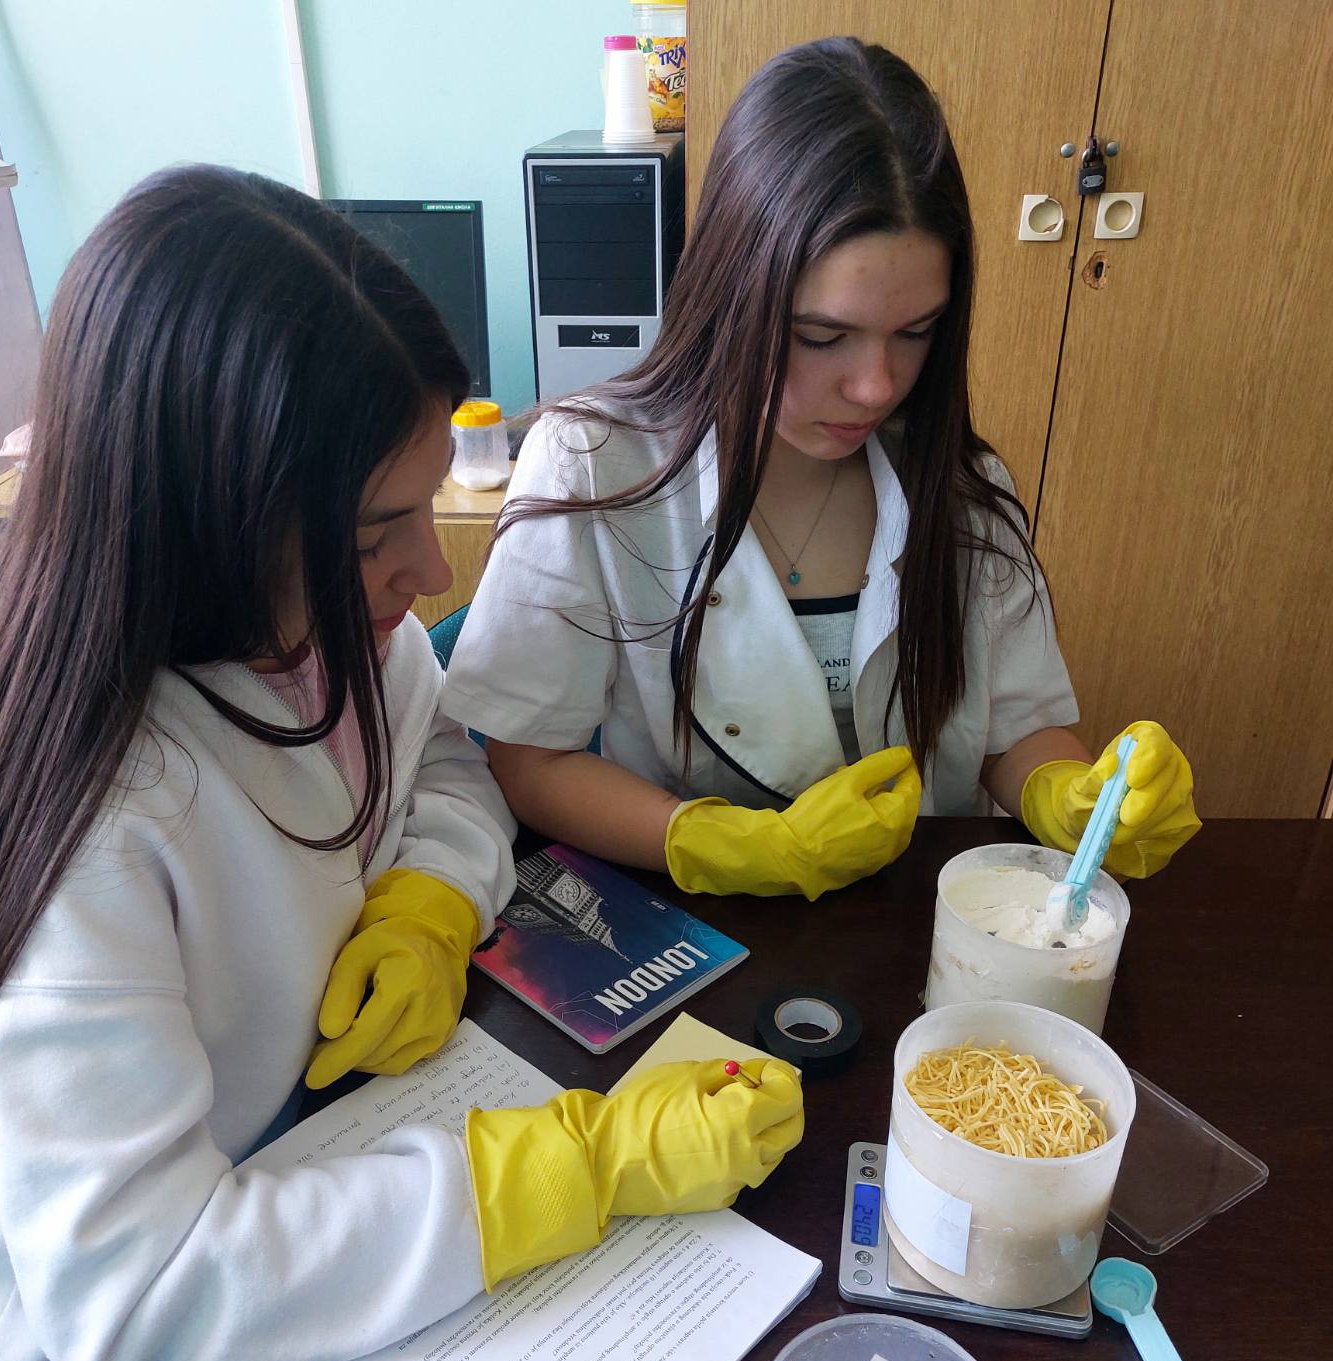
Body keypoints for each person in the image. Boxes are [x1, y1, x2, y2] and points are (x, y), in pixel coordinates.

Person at [0, 166, 803, 1361]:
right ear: (207, 514)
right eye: (378, 535)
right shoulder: (97, 826)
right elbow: (135, 1298)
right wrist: (564, 1170)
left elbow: (444, 764)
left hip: (314, 1165)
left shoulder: (316, 634)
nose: (429, 572)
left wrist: (429, 899)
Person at [442, 38, 1200, 899]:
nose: (876, 384)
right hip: (709, 925)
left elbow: (1018, 728)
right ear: (732, 291)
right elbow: (530, 761)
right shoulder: (593, 465)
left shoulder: (958, 482)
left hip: (923, 921)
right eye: (821, 336)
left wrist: (1072, 794)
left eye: (915, 332)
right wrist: (728, 845)